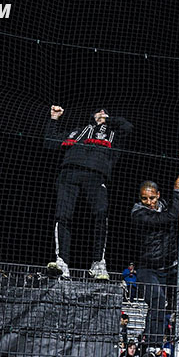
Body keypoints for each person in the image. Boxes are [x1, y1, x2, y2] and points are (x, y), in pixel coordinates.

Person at [45, 105, 133, 279]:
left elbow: (127, 126)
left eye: (105, 112)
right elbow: (50, 142)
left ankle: (98, 263)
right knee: (63, 215)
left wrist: (107, 120)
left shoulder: (114, 134)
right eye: (98, 112)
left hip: (97, 176)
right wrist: (54, 119)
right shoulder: (79, 132)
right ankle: (61, 262)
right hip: (69, 173)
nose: (102, 113)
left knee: (101, 215)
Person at [131, 169, 179, 346]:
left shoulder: (166, 205)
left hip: (171, 266)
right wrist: (177, 187)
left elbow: (178, 211)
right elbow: (170, 217)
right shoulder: (138, 213)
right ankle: (153, 342)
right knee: (157, 299)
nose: (149, 202)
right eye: (145, 198)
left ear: (158, 195)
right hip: (148, 268)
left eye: (152, 198)